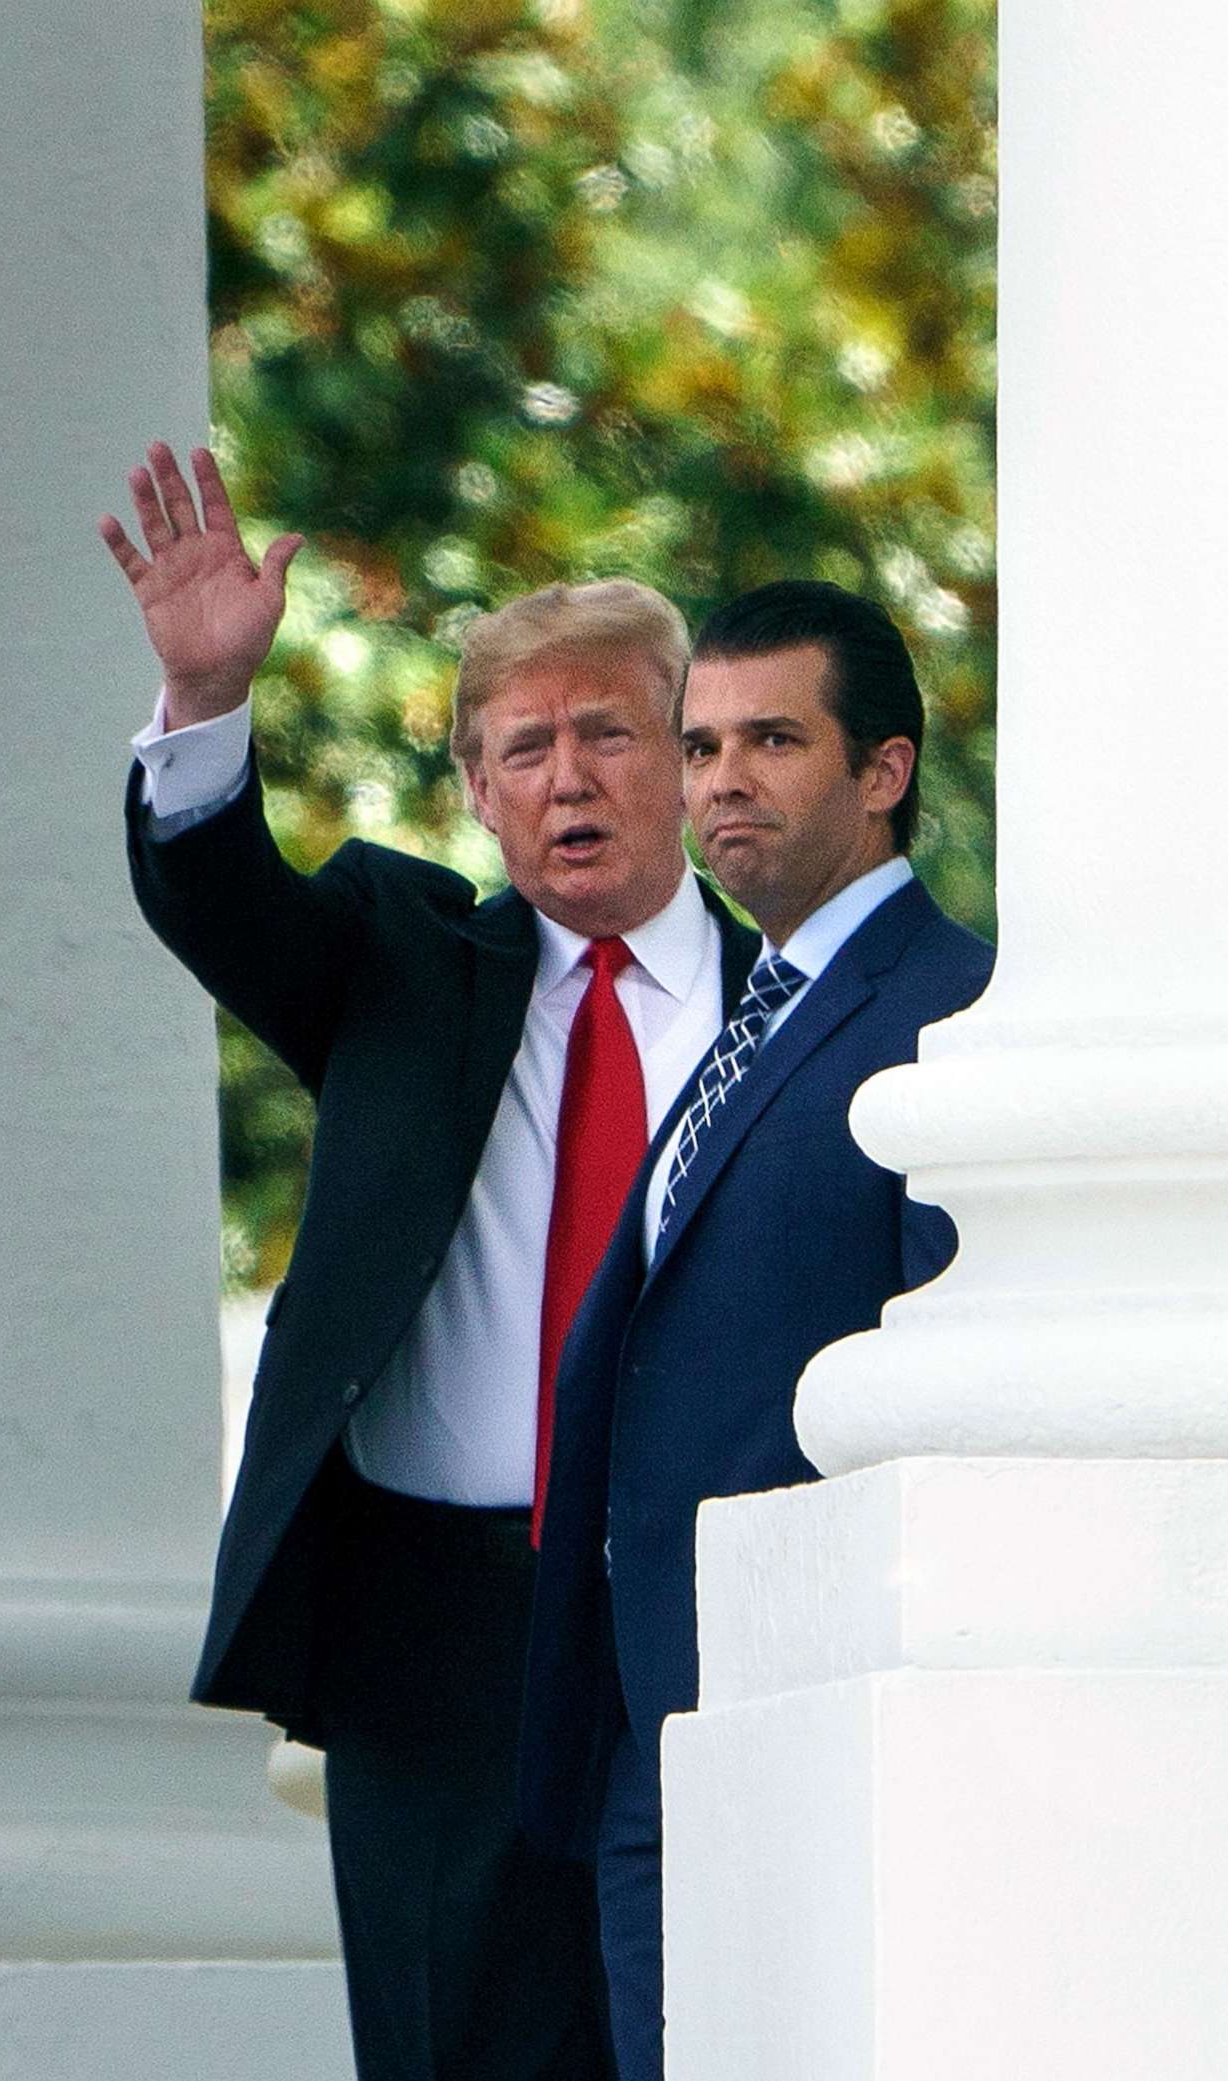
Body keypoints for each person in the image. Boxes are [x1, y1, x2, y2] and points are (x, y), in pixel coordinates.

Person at [99, 442, 760, 2081]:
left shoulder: (797, 1013)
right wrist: (202, 705)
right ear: (475, 790)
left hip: (707, 1614)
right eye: (522, 746)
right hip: (435, 1630)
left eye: (608, 731)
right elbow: (222, 895)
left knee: (711, 2024)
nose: (567, 776)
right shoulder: (402, 967)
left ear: (682, 758)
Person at [516, 580, 996, 2081]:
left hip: (813, 1704)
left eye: (773, 740)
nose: (724, 780)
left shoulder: (956, 1012)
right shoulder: (752, 1013)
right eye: (705, 744)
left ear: (883, 770)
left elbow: (948, 1371)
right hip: (653, 1709)